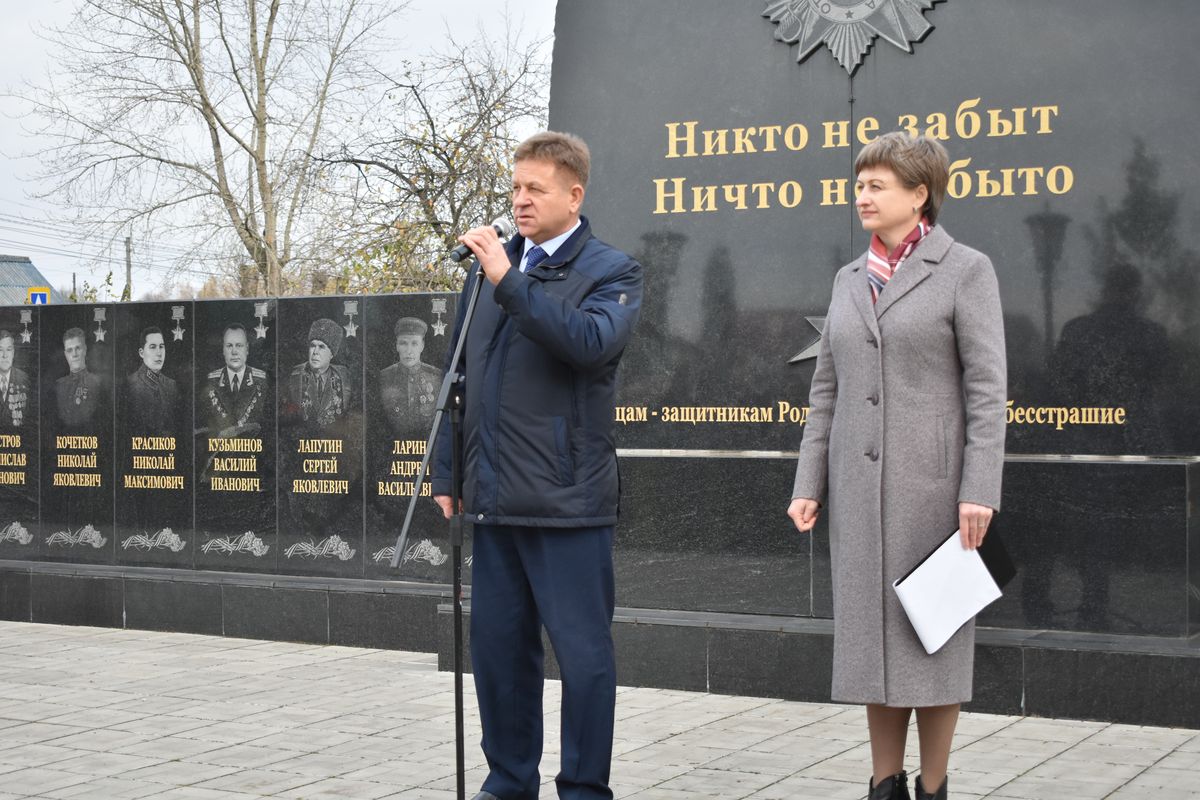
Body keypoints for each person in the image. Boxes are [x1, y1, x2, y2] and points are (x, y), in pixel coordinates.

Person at [787, 132, 1006, 800]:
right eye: (860, 185)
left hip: (935, 494)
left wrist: (979, 490)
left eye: (878, 185)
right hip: (857, 492)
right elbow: (825, 389)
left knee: (932, 639)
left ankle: (934, 787)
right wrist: (809, 483)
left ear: (920, 193)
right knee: (871, 646)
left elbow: (986, 390)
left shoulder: (966, 269)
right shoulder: (848, 280)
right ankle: (884, 784)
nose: (864, 196)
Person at [433, 131, 642, 800]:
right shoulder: (486, 274)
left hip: (566, 502)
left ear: (573, 195)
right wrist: (448, 473)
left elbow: (587, 343)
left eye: (535, 189)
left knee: (583, 660)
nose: (519, 201)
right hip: (493, 499)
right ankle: (508, 782)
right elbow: (458, 375)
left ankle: (583, 788)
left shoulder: (612, 271)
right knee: (497, 656)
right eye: (515, 187)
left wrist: (509, 281)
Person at [201, 323, 269, 436]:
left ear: (247, 349)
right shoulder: (211, 381)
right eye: (229, 346)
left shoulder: (262, 380)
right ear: (223, 349)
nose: (234, 352)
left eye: (239, 345)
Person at [283, 318, 351, 428]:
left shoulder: (344, 379)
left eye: (321, 347)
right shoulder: (293, 377)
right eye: (312, 346)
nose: (315, 352)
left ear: (332, 354)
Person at [378, 316, 441, 432]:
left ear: (422, 346)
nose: (409, 351)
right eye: (403, 343)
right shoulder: (384, 377)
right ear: (397, 346)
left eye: (414, 344)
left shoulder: (436, 377)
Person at [126, 326, 179, 436]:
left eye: (161, 347)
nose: (159, 353)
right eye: (153, 347)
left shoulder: (171, 385)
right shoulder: (129, 384)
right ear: (141, 353)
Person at [54, 327, 103, 428]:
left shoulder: (97, 383)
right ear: (65, 354)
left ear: (85, 350)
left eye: (78, 348)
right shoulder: (58, 386)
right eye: (69, 350)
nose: (74, 354)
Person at [0, 329, 31, 427]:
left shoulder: (24, 379)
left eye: (8, 349)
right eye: (0, 350)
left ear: (13, 353)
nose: (4, 355)